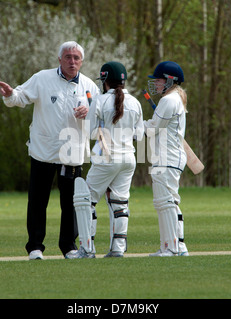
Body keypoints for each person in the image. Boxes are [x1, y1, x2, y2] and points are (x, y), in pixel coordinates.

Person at [0, 41, 100, 260]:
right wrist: (9, 94)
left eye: (76, 58)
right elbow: (20, 97)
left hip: (72, 153)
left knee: (71, 202)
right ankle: (35, 247)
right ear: (59, 59)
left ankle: (69, 247)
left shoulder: (90, 86)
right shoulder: (43, 78)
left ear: (82, 61)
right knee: (38, 200)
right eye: (68, 57)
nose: (72, 61)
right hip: (43, 150)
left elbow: (99, 117)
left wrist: (88, 111)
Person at [67, 61, 144, 258]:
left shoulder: (100, 101)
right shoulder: (135, 102)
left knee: (86, 200)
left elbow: (93, 133)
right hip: (128, 159)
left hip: (106, 158)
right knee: (120, 203)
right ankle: (117, 249)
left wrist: (99, 123)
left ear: (105, 81)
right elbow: (139, 136)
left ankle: (86, 249)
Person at [144, 61, 189, 257]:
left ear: (170, 80)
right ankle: (178, 246)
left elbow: (153, 128)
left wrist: (136, 125)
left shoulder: (168, 100)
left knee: (165, 202)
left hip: (167, 157)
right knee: (170, 201)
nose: (156, 83)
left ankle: (170, 248)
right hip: (171, 157)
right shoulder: (174, 99)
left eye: (159, 79)